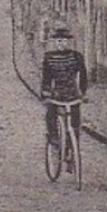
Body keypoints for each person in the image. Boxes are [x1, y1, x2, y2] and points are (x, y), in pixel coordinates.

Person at [41, 25, 89, 166]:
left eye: (64, 41)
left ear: (69, 42)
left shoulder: (76, 57)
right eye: (58, 41)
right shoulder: (49, 58)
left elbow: (83, 76)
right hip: (57, 94)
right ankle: (54, 138)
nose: (61, 44)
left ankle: (72, 153)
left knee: (75, 125)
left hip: (73, 94)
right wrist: (46, 92)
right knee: (50, 113)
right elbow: (46, 78)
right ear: (55, 43)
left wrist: (83, 92)